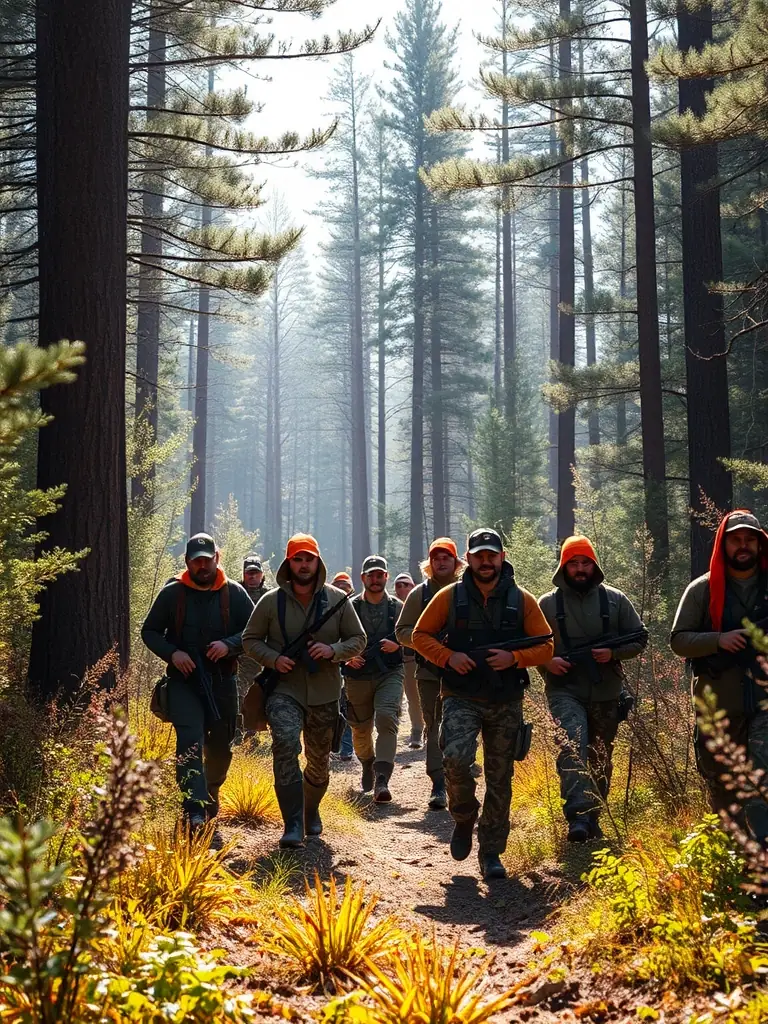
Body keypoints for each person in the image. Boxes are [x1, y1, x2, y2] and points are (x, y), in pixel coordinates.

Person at [412, 529, 554, 881]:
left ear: (502, 557)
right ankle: (463, 816)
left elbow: (548, 646)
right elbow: (419, 635)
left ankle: (491, 852)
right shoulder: (449, 597)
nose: (485, 561)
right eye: (479, 555)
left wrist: (515, 658)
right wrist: (449, 657)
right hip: (460, 696)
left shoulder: (522, 600)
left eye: (492, 555)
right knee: (455, 759)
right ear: (469, 559)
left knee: (500, 778)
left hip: (506, 700)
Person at [241, 534, 366, 848]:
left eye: (309, 559)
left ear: (318, 562)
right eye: (298, 559)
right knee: (284, 743)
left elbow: (359, 639)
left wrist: (333, 650)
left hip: (325, 693)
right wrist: (274, 659)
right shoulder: (271, 601)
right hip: (284, 690)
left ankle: (311, 810)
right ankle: (292, 822)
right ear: (289, 563)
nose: (304, 565)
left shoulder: (337, 599)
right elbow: (249, 640)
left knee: (319, 761)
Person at [538, 536, 648, 842]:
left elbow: (640, 638)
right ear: (563, 566)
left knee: (600, 754)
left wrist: (613, 654)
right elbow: (530, 646)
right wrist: (548, 662)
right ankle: (577, 816)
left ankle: (595, 815)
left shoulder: (615, 599)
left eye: (586, 562)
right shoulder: (547, 604)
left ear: (595, 565)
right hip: (563, 690)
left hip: (607, 692)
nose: (580, 569)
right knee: (573, 745)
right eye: (573, 563)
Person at [141, 533, 255, 827]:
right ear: (187, 562)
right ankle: (194, 808)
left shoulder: (235, 594)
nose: (202, 566)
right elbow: (150, 631)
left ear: (217, 557)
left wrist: (229, 645)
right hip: (183, 682)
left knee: (220, 746)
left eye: (207, 560)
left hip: (223, 682)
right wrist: (173, 653)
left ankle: (210, 791)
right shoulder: (172, 593)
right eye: (196, 561)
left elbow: (255, 632)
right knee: (189, 742)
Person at [671, 510, 768, 844]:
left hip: (764, 704)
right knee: (722, 783)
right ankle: (734, 860)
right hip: (719, 704)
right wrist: (718, 640)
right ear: (723, 544)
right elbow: (678, 640)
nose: (743, 546)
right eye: (736, 540)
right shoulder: (702, 589)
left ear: (759, 543)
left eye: (750, 539)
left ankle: (761, 864)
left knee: (760, 781)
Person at [396, 539, 463, 811]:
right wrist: (430, 645)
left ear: (456, 562)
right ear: (429, 563)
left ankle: (460, 780)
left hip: (465, 671)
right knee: (435, 726)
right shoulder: (419, 594)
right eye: (436, 558)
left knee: (463, 726)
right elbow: (402, 632)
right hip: (429, 673)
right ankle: (438, 784)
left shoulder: (468, 590)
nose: (441, 562)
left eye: (447, 557)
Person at [343, 555, 405, 802]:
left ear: (386, 577)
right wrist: (346, 656)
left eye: (380, 575)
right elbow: (334, 638)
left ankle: (382, 778)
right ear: (363, 578)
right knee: (360, 729)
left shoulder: (398, 608)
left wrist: (398, 645)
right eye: (371, 575)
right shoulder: (349, 607)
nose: (376, 579)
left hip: (389, 673)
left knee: (387, 717)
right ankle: (367, 763)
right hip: (357, 676)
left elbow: (416, 635)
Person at [394, 572, 425, 750]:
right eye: (399, 585)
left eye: (406, 584)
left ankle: (420, 731)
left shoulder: (420, 606)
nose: (403, 588)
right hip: (396, 662)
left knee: (418, 697)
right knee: (401, 699)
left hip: (415, 659)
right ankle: (406, 732)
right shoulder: (393, 607)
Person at [331, 571, 356, 761]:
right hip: (331, 669)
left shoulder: (357, 608)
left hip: (355, 669)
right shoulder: (324, 610)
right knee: (335, 708)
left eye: (345, 586)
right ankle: (336, 747)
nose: (342, 589)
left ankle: (347, 747)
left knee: (348, 708)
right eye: (338, 586)